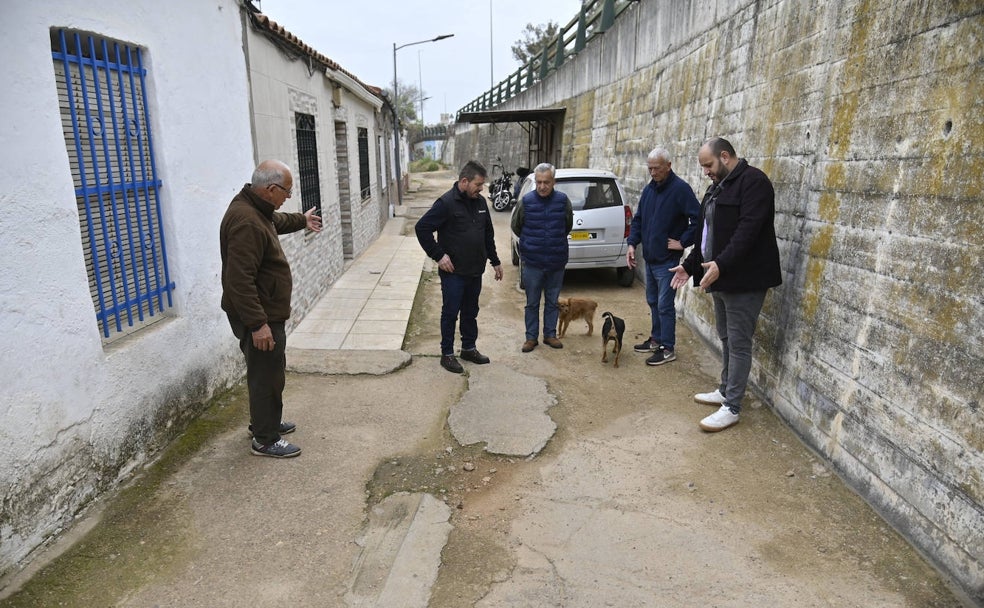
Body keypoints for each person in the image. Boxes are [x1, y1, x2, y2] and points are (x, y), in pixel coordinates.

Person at [670, 137, 782, 432]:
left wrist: (721, 264)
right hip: (718, 276)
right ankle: (725, 389)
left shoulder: (755, 183)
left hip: (744, 280)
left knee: (739, 342)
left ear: (724, 156)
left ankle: (732, 406)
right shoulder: (716, 187)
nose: (705, 171)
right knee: (727, 338)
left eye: (708, 165)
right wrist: (689, 264)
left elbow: (747, 232)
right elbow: (705, 237)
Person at [220, 160, 322, 458]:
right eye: (286, 192)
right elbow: (238, 281)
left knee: (268, 371)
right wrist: (258, 325)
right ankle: (265, 439)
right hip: (259, 315)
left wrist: (301, 220)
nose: (287, 198)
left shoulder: (255, 209)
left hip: (263, 311)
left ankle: (265, 421)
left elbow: (276, 221)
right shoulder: (246, 221)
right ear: (271, 189)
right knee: (266, 375)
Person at [415, 160, 504, 373]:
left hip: (475, 270)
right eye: (478, 184)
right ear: (464, 181)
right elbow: (422, 228)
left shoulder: (481, 203)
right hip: (453, 272)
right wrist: (439, 256)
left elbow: (488, 235)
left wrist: (495, 261)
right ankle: (447, 354)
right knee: (450, 312)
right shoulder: (446, 203)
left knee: (470, 311)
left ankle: (468, 348)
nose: (481, 189)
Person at [626, 148, 700, 366]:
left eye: (656, 168)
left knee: (665, 305)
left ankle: (668, 348)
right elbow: (638, 219)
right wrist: (632, 243)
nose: (652, 172)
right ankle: (656, 339)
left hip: (668, 261)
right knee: (652, 301)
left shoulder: (681, 189)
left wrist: (683, 241)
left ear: (668, 165)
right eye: (649, 168)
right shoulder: (650, 189)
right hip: (650, 258)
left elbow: (699, 220)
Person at [511, 163, 574, 352]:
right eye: (539, 182)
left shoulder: (563, 201)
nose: (542, 186)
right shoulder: (526, 201)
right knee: (532, 302)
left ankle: (550, 335)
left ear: (553, 182)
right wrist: (531, 244)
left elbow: (567, 225)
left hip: (556, 261)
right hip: (532, 262)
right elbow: (516, 226)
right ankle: (531, 338)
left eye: (546, 182)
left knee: (552, 301)